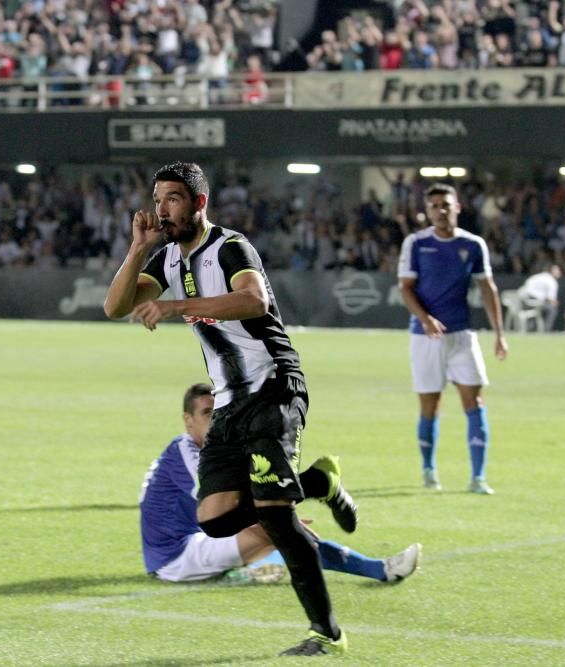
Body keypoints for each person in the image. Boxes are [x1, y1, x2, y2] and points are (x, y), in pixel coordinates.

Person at [105, 162, 357, 656]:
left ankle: (326, 635)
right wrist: (138, 249)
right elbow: (115, 307)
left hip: (273, 387)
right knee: (216, 519)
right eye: (158, 200)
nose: (162, 209)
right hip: (228, 403)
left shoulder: (230, 246)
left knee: (277, 517)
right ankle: (319, 483)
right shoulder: (167, 261)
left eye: (173, 199)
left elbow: (254, 301)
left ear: (199, 203)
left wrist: (178, 308)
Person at [140, 383, 422, 586]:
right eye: (206, 413)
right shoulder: (186, 454)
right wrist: (277, 510)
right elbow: (228, 507)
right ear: (188, 421)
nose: (215, 420)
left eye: (219, 411)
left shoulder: (213, 451)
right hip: (175, 555)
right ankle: (380, 570)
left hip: (202, 536)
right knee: (274, 528)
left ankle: (255, 566)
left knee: (279, 524)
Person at [397, 183, 508, 495]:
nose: (440, 210)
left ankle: (478, 478)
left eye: (445, 204)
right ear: (428, 211)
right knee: (430, 405)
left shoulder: (473, 245)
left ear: (457, 207)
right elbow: (405, 288)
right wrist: (425, 318)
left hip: (462, 335)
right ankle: (429, 470)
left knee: (475, 401)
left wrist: (500, 333)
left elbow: (488, 289)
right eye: (434, 206)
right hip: (425, 337)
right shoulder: (416, 244)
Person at [517, 264, 563, 332]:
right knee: (552, 309)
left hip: (521, 301)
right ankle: (546, 330)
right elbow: (550, 299)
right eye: (557, 270)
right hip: (531, 301)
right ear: (551, 271)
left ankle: (531, 328)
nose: (559, 272)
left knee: (535, 311)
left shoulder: (537, 276)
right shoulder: (552, 281)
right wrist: (556, 303)